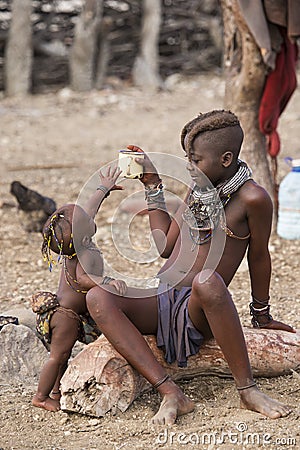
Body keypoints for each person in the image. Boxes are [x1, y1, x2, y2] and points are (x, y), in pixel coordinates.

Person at [85, 110, 295, 425]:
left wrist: (261, 314)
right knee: (97, 298)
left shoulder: (253, 199)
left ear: (225, 159)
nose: (188, 166)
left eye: (195, 160)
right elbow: (167, 248)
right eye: (187, 157)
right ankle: (171, 393)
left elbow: (259, 257)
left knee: (207, 280)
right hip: (162, 296)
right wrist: (152, 185)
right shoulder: (198, 189)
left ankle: (247, 390)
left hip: (200, 307)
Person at [32, 165, 127, 412]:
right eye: (84, 219)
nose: (88, 216)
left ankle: (54, 392)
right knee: (57, 356)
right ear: (82, 235)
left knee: (62, 356)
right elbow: (84, 279)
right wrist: (106, 282)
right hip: (64, 317)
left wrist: (102, 189)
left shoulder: (78, 244)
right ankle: (41, 397)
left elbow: (89, 212)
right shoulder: (84, 255)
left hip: (65, 314)